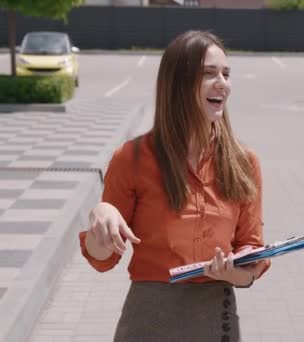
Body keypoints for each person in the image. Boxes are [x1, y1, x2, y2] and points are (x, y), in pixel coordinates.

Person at [79, 30, 269, 341]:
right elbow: (103, 258)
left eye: (226, 73)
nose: (222, 82)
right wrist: (101, 217)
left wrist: (235, 271)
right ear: (178, 83)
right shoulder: (133, 158)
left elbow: (251, 248)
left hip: (216, 316)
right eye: (209, 73)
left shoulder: (245, 161)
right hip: (148, 319)